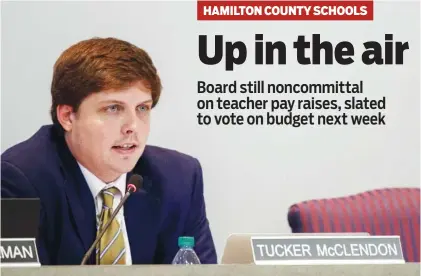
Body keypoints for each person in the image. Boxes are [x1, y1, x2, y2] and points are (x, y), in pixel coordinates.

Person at [1, 37, 217, 265]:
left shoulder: (179, 179)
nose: (132, 126)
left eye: (142, 108)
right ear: (67, 116)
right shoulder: (21, 180)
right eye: (113, 108)